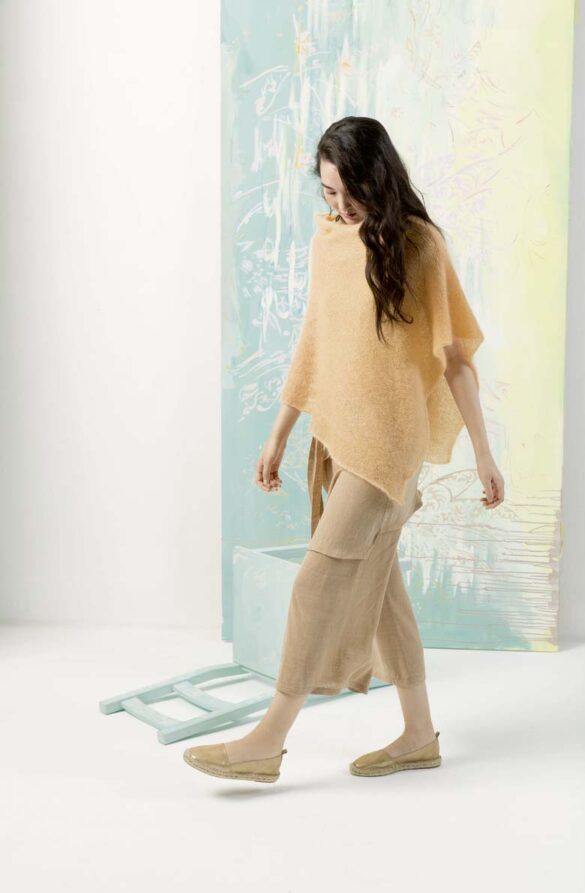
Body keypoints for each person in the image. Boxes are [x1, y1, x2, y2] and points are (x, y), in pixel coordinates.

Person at [183, 116, 504, 784]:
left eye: (349, 191)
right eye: (328, 192)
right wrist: (278, 432)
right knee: (384, 594)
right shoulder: (329, 240)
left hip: (390, 448)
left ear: (375, 177)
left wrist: (483, 452)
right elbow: (313, 341)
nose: (340, 205)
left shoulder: (420, 246)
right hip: (340, 437)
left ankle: (268, 739)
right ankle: (419, 735)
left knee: (318, 579)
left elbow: (453, 360)